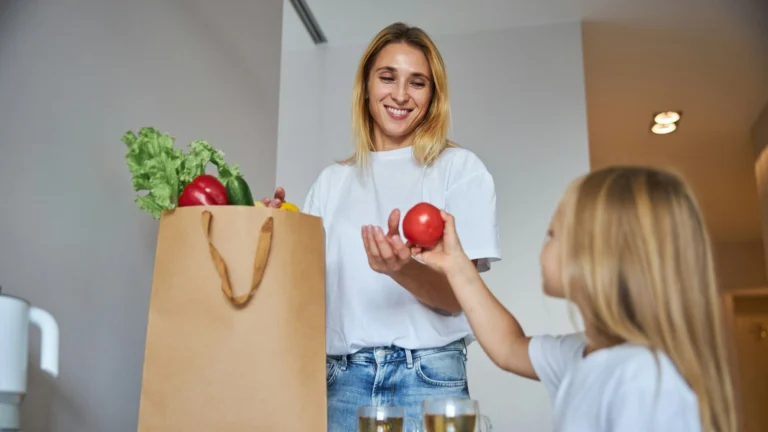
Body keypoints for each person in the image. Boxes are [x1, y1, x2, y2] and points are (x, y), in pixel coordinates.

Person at [262, 22, 501, 429]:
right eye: (387, 77)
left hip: (427, 378)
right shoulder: (331, 183)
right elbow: (306, 298)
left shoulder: (459, 171)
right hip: (341, 380)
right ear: (366, 86)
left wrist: (401, 269)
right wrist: (273, 235)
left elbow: (456, 298)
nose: (401, 95)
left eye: (418, 82)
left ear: (433, 96)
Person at [412, 166, 738, 432]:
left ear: (596, 257)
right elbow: (509, 347)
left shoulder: (643, 378)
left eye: (552, 233)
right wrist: (455, 264)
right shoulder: (587, 355)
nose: (545, 243)